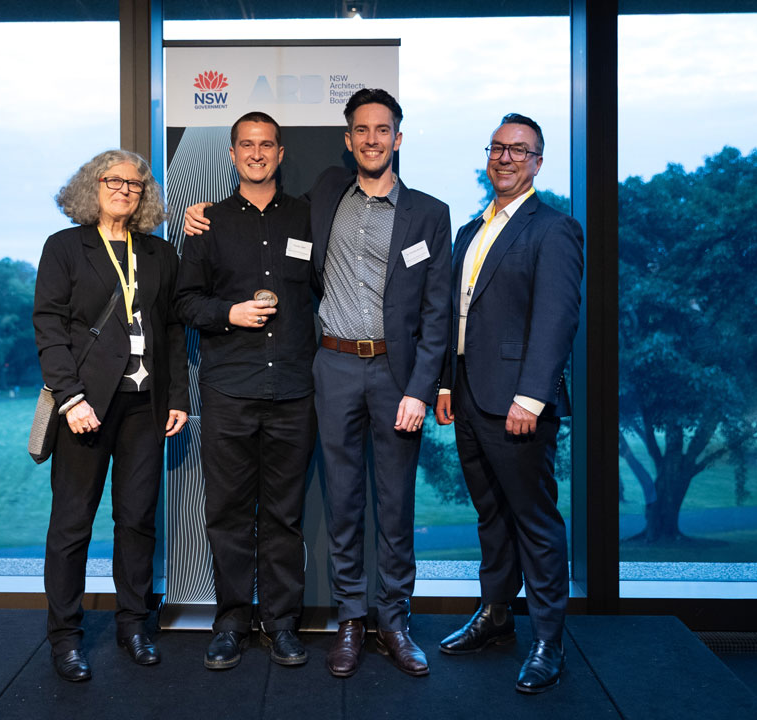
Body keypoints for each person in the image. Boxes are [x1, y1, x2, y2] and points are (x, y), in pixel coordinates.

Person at [185, 88, 450, 678]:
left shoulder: (426, 213)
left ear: (397, 139)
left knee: (395, 501)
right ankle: (352, 619)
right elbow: (209, 270)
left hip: (394, 373)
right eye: (362, 130)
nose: (373, 139)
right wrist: (195, 214)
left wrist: (426, 387)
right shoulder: (328, 193)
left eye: (383, 130)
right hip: (329, 368)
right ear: (348, 139)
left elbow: (437, 310)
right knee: (343, 501)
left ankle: (395, 620)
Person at [434, 114, 583, 694]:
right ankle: (496, 617)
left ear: (538, 162)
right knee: (491, 516)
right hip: (469, 397)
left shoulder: (554, 229)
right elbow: (456, 314)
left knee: (535, 521)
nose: (505, 157)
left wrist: (532, 395)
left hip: (518, 402)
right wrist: (446, 385)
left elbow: (557, 318)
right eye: (497, 148)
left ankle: (549, 639)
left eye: (518, 150)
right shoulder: (471, 231)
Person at [33, 149, 190, 682]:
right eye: (114, 180)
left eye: (136, 184)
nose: (125, 190)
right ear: (92, 186)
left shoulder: (158, 253)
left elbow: (171, 329)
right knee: (73, 523)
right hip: (87, 407)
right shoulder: (64, 248)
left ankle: (133, 625)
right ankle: (65, 637)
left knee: (137, 520)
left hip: (145, 406)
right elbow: (49, 326)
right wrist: (71, 399)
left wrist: (178, 397)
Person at [174, 112, 317, 670]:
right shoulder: (207, 223)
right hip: (229, 388)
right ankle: (232, 621)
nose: (256, 153)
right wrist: (229, 313)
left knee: (284, 516)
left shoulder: (310, 217)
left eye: (266, 144)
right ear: (232, 154)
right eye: (246, 145)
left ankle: (282, 625)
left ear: (280, 153)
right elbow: (185, 302)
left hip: (294, 389)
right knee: (229, 511)